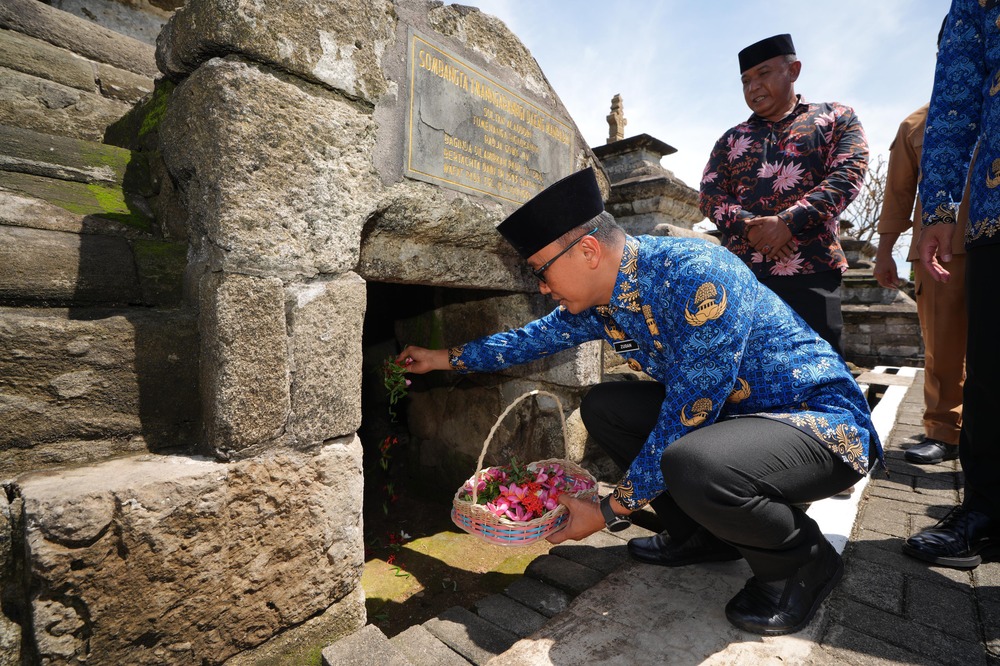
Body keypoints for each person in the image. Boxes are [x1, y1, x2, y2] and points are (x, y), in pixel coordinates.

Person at [398, 167, 881, 635]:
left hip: (819, 429)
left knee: (693, 460)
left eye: (542, 273)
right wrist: (440, 358)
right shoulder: (605, 301)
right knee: (607, 408)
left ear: (588, 250)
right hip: (736, 424)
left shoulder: (697, 274)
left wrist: (608, 511)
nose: (543, 288)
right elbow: (530, 339)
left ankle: (803, 564)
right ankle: (702, 537)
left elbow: (688, 414)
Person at [699, 33, 869, 357]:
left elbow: (848, 175)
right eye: (746, 80)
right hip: (742, 276)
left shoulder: (835, 118)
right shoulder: (731, 138)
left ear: (793, 70)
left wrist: (789, 222)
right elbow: (709, 193)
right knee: (744, 378)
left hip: (811, 268)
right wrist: (749, 226)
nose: (753, 87)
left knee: (819, 373)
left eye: (763, 74)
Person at [904, 0, 1000, 570]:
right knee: (990, 371)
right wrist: (939, 206)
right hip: (994, 208)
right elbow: (958, 98)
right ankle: (987, 511)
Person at [874, 101, 967, 466]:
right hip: (939, 250)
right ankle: (944, 431)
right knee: (942, 346)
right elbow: (898, 191)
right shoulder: (916, 124)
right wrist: (884, 251)